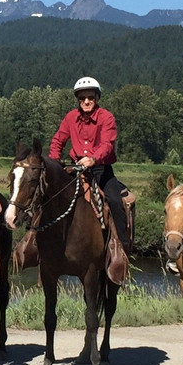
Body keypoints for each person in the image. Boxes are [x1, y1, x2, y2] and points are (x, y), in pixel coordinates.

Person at [48, 76, 132, 253]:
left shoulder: (106, 117)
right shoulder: (70, 117)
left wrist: (93, 159)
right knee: (49, 196)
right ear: (78, 99)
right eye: (82, 98)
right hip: (76, 169)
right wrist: (54, 164)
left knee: (115, 201)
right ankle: (37, 239)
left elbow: (107, 144)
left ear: (97, 97)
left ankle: (122, 248)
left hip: (101, 170)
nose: (86, 101)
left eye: (90, 97)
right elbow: (58, 141)